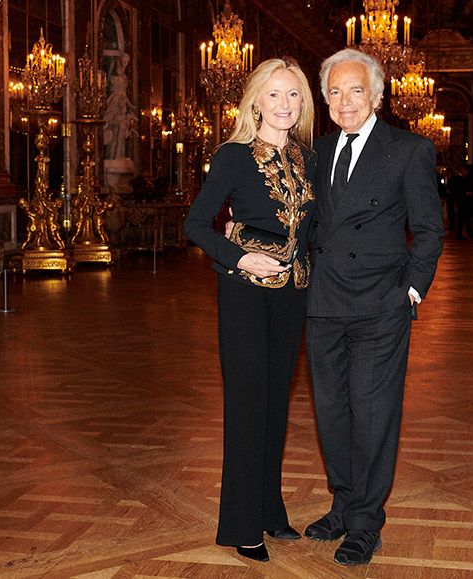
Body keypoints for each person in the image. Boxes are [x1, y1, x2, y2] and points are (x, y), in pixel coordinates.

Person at [303, 49, 445, 566]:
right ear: (324, 98)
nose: (345, 101)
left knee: (372, 413)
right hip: (322, 304)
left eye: (355, 90)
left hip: (379, 304)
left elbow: (429, 230)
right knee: (332, 412)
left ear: (377, 96)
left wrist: (410, 291)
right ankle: (343, 503)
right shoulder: (315, 152)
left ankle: (366, 521)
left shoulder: (408, 150)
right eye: (335, 92)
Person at [183, 58, 317, 564]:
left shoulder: (309, 159)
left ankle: (270, 511)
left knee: (277, 404)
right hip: (242, 292)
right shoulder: (233, 157)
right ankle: (242, 526)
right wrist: (240, 255)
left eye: (295, 96)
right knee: (247, 404)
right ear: (255, 101)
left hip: (293, 295)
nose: (285, 105)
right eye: (275, 95)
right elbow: (196, 225)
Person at [448, 164, 473, 240]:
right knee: (462, 219)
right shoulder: (458, 179)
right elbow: (458, 191)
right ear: (463, 171)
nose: (467, 173)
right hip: (462, 201)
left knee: (465, 218)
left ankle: (470, 233)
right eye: (466, 172)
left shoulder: (460, 178)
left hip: (463, 201)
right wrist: (467, 193)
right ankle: (460, 235)